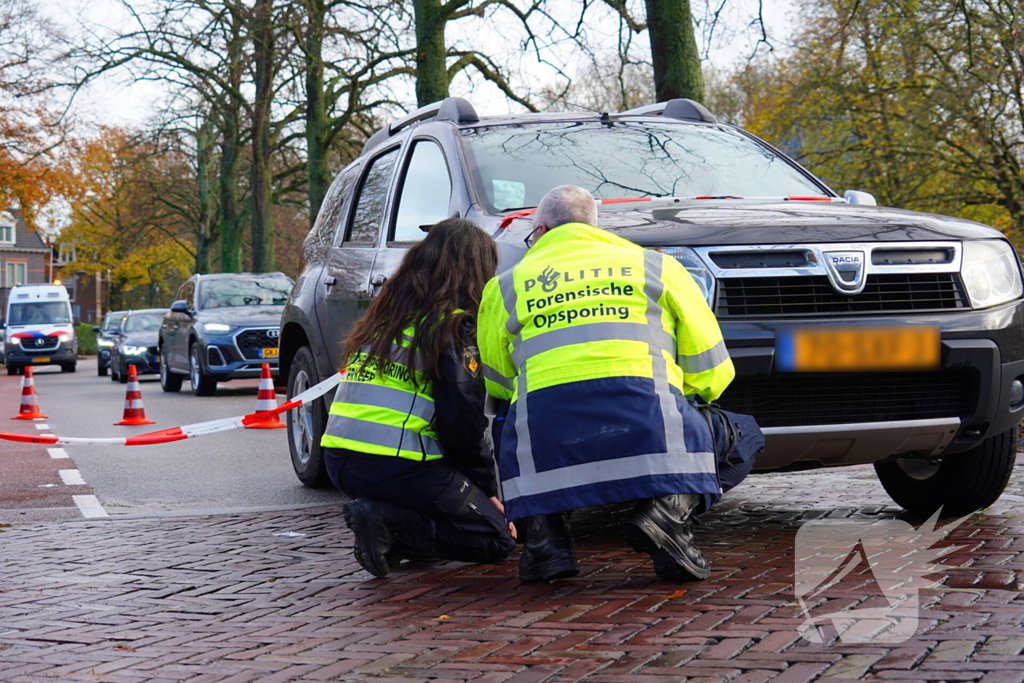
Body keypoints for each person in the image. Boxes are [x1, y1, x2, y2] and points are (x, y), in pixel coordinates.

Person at [478, 185, 762, 584]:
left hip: (548, 440)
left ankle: (546, 542)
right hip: (649, 424)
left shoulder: (504, 286)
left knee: (513, 424)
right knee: (744, 434)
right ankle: (667, 512)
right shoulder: (657, 268)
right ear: (594, 226)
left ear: (540, 231)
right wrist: (674, 399)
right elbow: (712, 372)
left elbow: (499, 382)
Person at [322, 217, 516, 579]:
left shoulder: (385, 320)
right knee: (495, 539)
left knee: (449, 508)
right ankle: (383, 522)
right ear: (476, 271)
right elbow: (463, 425)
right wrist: (486, 491)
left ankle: (385, 528)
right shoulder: (454, 327)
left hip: (340, 462)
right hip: (397, 465)